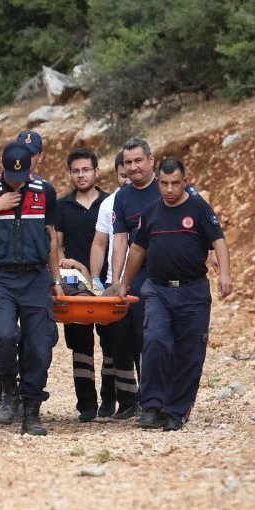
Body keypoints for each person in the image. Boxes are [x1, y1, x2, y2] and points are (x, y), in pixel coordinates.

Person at [107, 158, 233, 431]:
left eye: (175, 183)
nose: (169, 189)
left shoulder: (198, 208)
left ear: (185, 181)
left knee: (189, 352)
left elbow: (218, 241)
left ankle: (176, 411)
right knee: (155, 342)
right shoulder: (151, 211)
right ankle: (152, 406)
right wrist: (125, 283)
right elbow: (137, 249)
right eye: (164, 183)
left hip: (192, 291)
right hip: (158, 290)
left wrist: (225, 274)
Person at [0, 142, 63, 435]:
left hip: (36, 277)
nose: (17, 182)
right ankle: (7, 385)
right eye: (12, 176)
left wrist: (56, 280)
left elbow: (51, 238)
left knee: (40, 346)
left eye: (22, 177)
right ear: (2, 167)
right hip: (1, 277)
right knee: (4, 335)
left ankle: (31, 412)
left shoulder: (45, 191)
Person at [54, 147, 112, 422]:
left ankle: (110, 400)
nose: (81, 175)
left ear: (96, 171)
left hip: (106, 282)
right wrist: (65, 269)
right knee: (80, 345)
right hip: (75, 285)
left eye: (86, 169)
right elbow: (57, 245)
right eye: (76, 171)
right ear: (70, 174)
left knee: (112, 342)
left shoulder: (110, 203)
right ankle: (86, 404)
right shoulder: (62, 206)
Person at [87, 152, 141, 419]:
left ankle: (150, 399)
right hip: (114, 282)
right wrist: (96, 279)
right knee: (117, 344)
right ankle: (127, 401)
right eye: (122, 174)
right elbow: (100, 243)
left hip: (144, 279)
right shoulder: (109, 204)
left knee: (145, 341)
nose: (127, 178)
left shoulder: (153, 198)